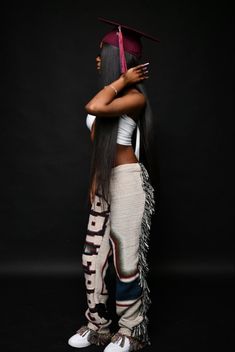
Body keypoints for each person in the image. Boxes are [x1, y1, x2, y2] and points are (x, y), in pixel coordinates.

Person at [68, 17, 160, 352]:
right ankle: (98, 326)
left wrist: (121, 80)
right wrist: (95, 181)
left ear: (119, 63)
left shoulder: (134, 97)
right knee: (93, 258)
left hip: (128, 183)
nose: (97, 58)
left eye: (103, 52)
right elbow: (99, 144)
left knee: (126, 261)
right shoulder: (110, 92)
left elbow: (94, 108)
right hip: (105, 182)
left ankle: (131, 331)